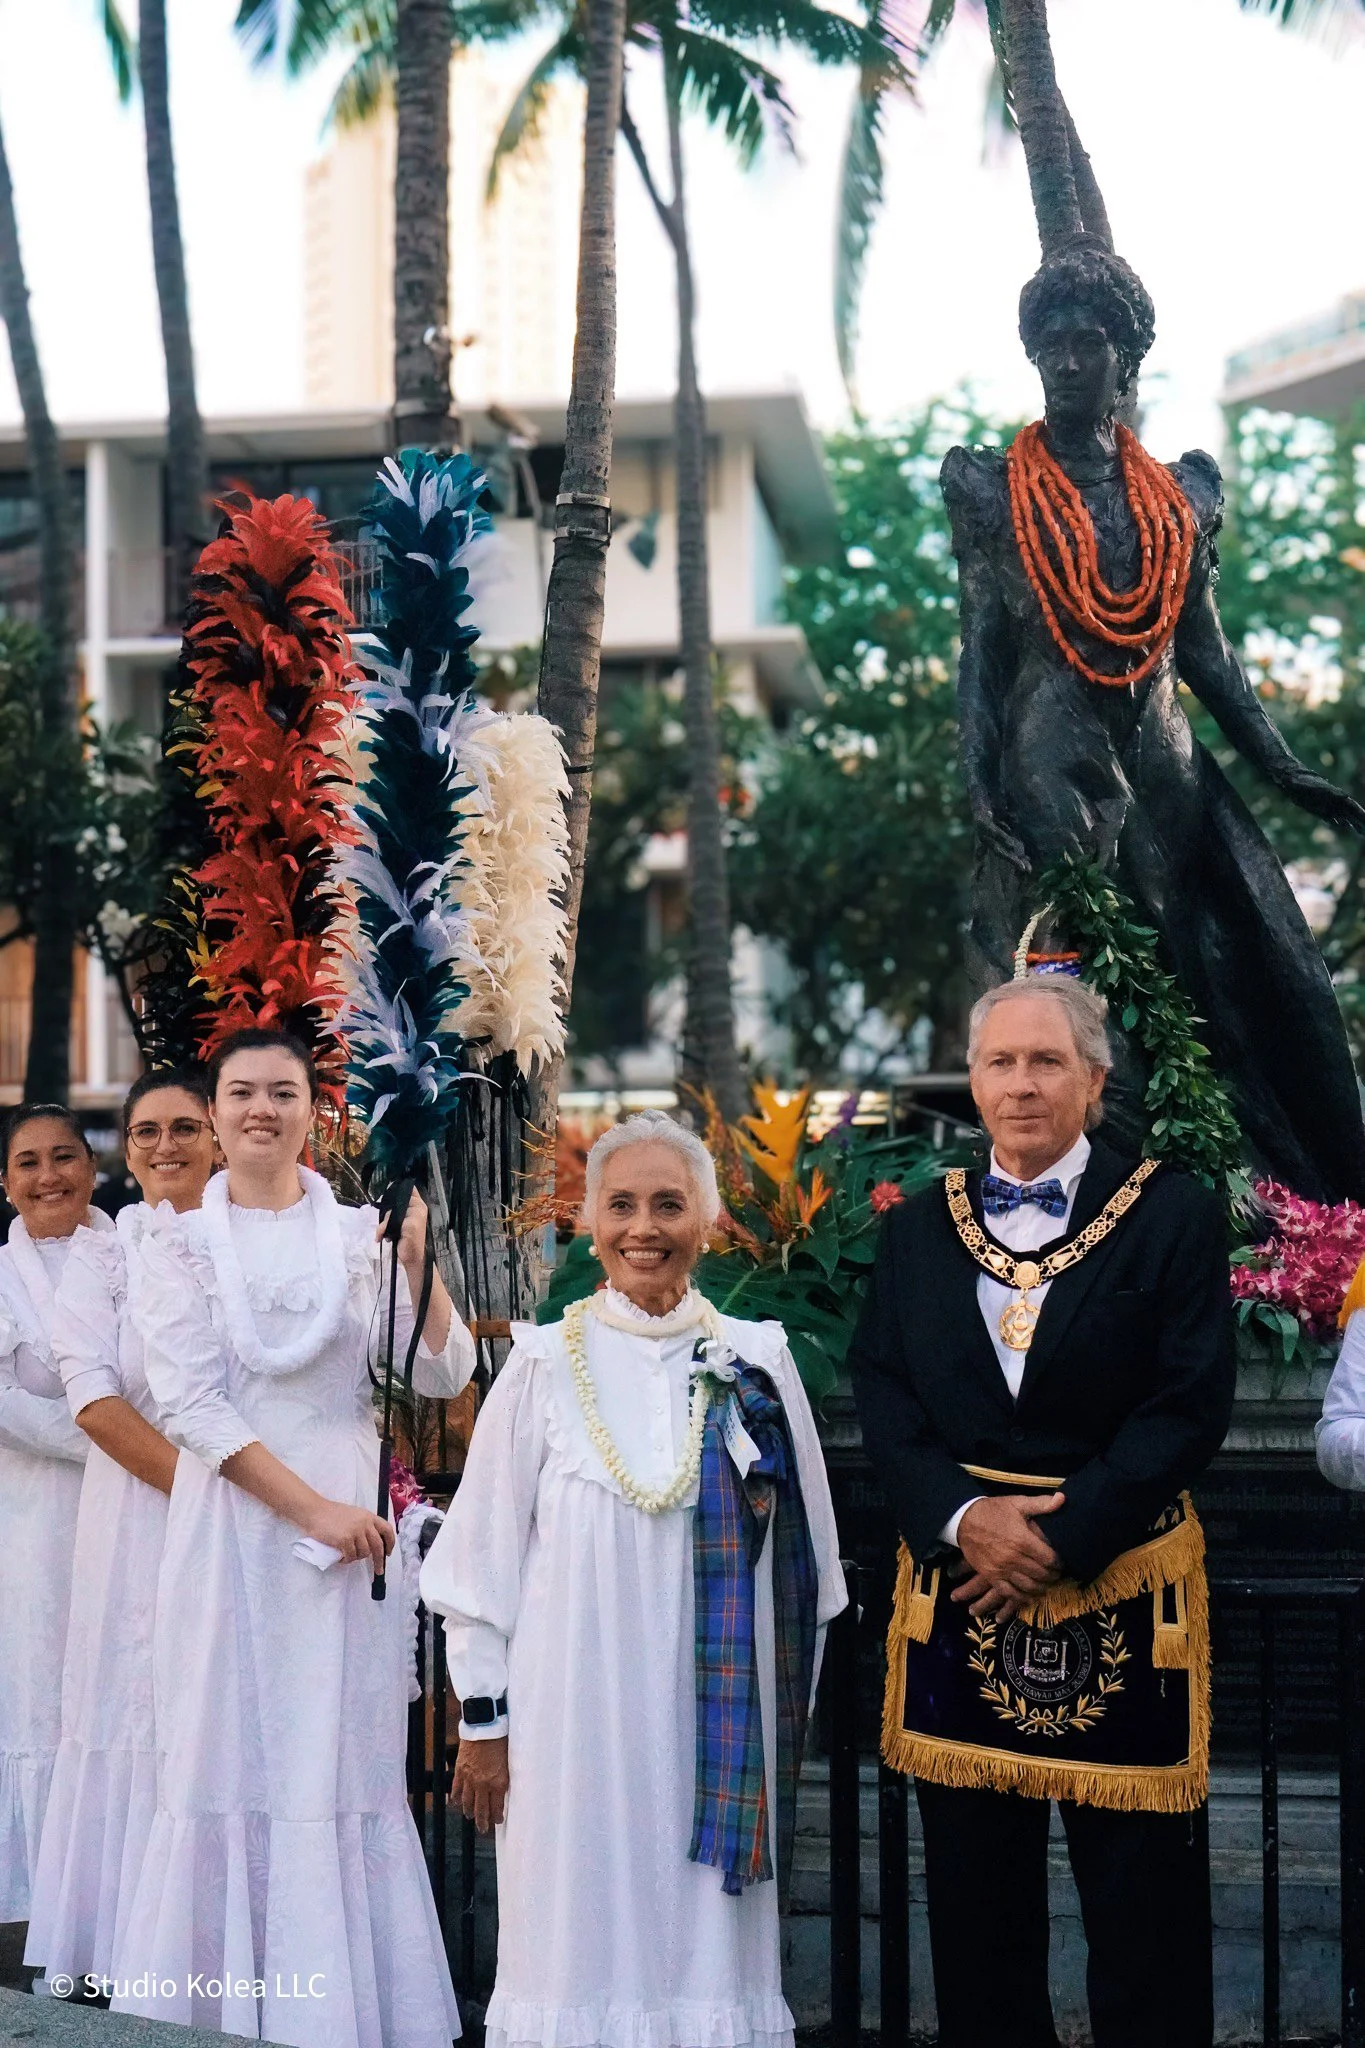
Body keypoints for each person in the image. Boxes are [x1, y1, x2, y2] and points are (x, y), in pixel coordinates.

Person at [849, 976, 1236, 2048]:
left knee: (1144, 1916)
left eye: (1046, 1060)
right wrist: (967, 1516)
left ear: (1096, 1081)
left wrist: (1059, 1540)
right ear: (973, 1082)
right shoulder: (920, 1229)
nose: (1022, 1082)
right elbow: (883, 1391)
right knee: (977, 1913)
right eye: (1001, 1062)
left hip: (1123, 1590)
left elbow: (1189, 1403)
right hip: (962, 1594)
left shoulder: (1172, 1213)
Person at [419, 1109, 846, 2048]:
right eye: (620, 1205)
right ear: (586, 1219)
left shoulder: (758, 1359)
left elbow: (809, 1566)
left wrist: (774, 1725)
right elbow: (479, 1563)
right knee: (574, 1921)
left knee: (701, 1940)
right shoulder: (538, 1365)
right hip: (570, 1719)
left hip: (716, 1725)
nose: (642, 1228)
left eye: (667, 1204)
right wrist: (482, 1723)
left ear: (707, 1220)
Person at [111, 1026, 475, 2048]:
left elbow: (443, 1375)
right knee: (225, 1755)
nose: (260, 1107)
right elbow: (190, 1403)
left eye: (282, 1090)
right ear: (217, 1112)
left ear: (314, 1109)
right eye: (240, 1092)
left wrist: (417, 1254)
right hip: (237, 1523)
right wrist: (310, 1505)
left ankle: (339, 2017)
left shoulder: (358, 1230)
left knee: (335, 1762)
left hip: (347, 1550)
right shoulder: (175, 1242)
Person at [25, 1069, 218, 1987]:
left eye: (186, 1126)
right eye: (147, 1130)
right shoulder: (103, 1261)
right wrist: (205, 1498)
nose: (166, 1146)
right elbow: (94, 1404)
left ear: (219, 1136)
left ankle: (208, 1937)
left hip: (240, 1504)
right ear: (128, 1149)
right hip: (147, 1505)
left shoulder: (243, 1241)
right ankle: (121, 1944)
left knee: (208, 1708)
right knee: (129, 1700)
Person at [0, 1105, 109, 1924]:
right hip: (34, 1527)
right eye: (29, 1162)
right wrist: (128, 1446)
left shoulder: (134, 1256)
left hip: (139, 1515)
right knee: (43, 1699)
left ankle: (120, 1911)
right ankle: (46, 1919)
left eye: (65, 1156)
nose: (50, 1177)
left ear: (93, 1168)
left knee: (120, 1695)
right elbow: (13, 1408)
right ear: (4, 1184)